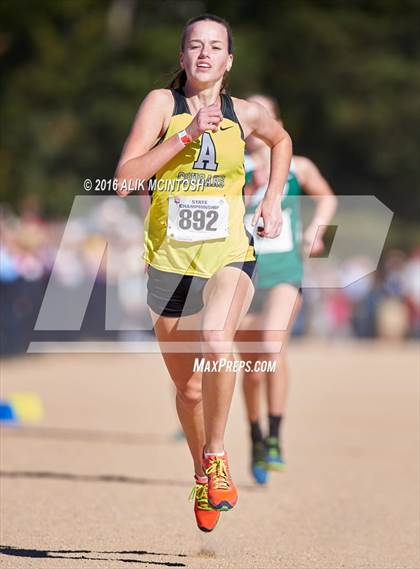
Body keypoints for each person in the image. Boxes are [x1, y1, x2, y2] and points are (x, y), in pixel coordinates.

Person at [115, 16, 292, 531]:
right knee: (189, 389)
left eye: (216, 47)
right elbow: (124, 180)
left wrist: (273, 200)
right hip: (169, 263)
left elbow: (281, 141)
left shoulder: (248, 114)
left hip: (229, 254)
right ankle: (201, 473)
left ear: (229, 60)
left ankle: (217, 455)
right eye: (195, 46)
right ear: (182, 56)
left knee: (218, 340)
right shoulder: (159, 105)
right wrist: (185, 136)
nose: (205, 54)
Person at [237, 95, 336, 485]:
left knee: (272, 346)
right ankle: (255, 435)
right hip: (242, 272)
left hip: (284, 271)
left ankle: (275, 435)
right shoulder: (231, 166)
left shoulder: (298, 167)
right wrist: (248, 191)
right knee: (251, 367)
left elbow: (326, 198)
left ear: (273, 120)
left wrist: (316, 230)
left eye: (262, 112)